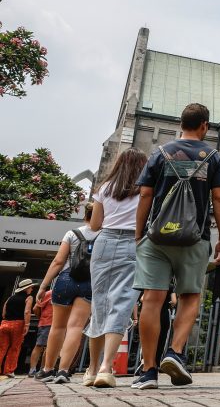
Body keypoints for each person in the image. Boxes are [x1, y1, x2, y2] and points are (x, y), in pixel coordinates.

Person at [131, 103, 220, 390]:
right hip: (194, 237)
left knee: (152, 299)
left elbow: (145, 194)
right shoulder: (212, 157)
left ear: (180, 124)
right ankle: (174, 352)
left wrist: (139, 234)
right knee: (189, 296)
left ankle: (148, 371)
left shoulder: (160, 153)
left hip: (158, 237)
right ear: (204, 127)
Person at [84, 148, 148, 388]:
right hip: (133, 243)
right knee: (121, 304)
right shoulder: (145, 190)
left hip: (104, 243)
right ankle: (105, 367)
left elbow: (95, 225)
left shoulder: (104, 189)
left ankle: (90, 369)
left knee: (99, 304)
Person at [35, 204, 98, 385]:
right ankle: (63, 370)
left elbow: (58, 261)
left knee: (57, 327)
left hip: (65, 280)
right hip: (89, 283)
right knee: (76, 327)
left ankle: (47, 370)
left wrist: (43, 286)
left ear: (85, 215)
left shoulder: (72, 233)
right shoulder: (104, 235)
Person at [0, 279, 34, 378]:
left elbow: (4, 312)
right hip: (18, 324)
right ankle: (9, 370)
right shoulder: (29, 298)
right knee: (15, 348)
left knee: (2, 347)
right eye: (31, 287)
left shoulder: (10, 298)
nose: (32, 289)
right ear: (27, 288)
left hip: (4, 323)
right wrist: (27, 325)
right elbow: (27, 311)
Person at [27, 287, 52, 377]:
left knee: (48, 347)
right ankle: (33, 369)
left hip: (54, 324)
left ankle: (42, 369)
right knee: (40, 346)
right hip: (46, 323)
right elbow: (35, 308)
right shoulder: (49, 294)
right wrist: (41, 318)